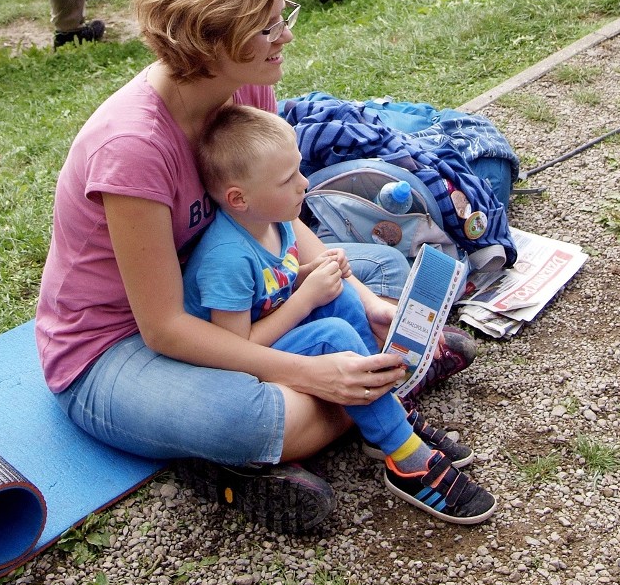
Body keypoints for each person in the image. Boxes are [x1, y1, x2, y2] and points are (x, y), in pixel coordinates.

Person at [35, 0, 421, 533]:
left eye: (280, 18)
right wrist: (307, 372)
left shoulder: (245, 86)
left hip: (229, 288)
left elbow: (281, 215)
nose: (285, 36)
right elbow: (163, 328)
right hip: (116, 347)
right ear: (210, 37)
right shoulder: (132, 147)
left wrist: (364, 300)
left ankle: (352, 386)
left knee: (385, 274)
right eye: (268, 27)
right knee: (257, 417)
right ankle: (354, 397)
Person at [184, 104, 496, 524]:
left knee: (341, 298)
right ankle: (404, 457)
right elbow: (236, 347)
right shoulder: (227, 257)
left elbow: (272, 286)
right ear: (239, 198)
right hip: (231, 368)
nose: (304, 183)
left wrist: (311, 277)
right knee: (330, 328)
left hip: (265, 332)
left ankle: (384, 403)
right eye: (288, 179)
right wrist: (305, 298)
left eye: (298, 169)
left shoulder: (275, 219)